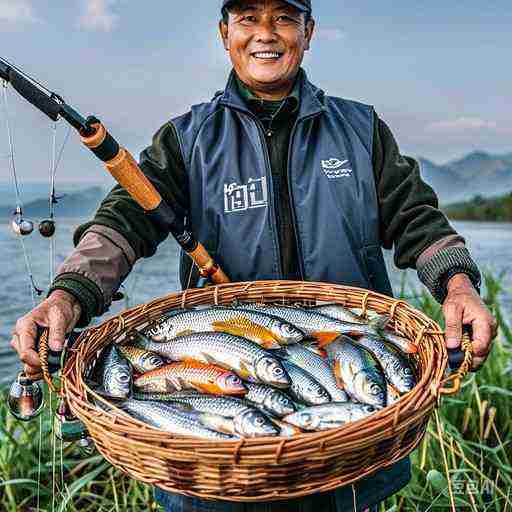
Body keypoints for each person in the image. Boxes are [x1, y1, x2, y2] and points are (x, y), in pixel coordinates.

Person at [10, 0, 496, 510]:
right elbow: (124, 221)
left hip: (348, 445)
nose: (266, 33)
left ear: (309, 32)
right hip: (212, 464)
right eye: (248, 18)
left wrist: (458, 285)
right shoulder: (186, 138)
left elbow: (415, 215)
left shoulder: (362, 129)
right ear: (225, 34)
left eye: (284, 18)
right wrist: (67, 297)